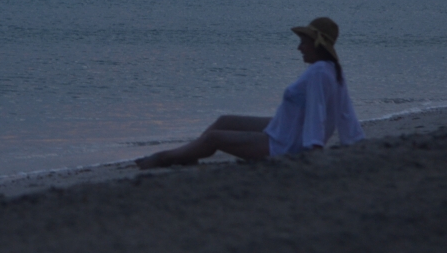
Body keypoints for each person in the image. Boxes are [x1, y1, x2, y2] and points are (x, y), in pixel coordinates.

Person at [135, 17, 364, 169]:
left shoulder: (319, 74)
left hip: (286, 146)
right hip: (284, 129)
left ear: (317, 44)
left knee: (214, 138)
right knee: (224, 121)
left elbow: (317, 113)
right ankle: (189, 155)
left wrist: (312, 152)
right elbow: (346, 113)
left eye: (303, 42)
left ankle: (166, 157)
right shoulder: (330, 70)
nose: (299, 47)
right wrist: (356, 143)